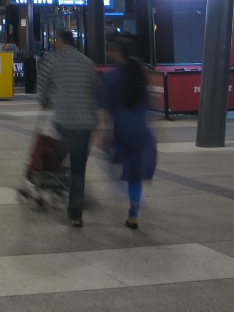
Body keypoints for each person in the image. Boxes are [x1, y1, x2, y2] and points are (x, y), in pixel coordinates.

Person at [36, 30, 99, 228]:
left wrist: (45, 101)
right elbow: (95, 92)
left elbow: (42, 88)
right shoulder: (88, 63)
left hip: (63, 122)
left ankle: (55, 189)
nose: (55, 44)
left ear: (62, 41)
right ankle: (75, 214)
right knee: (79, 170)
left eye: (56, 40)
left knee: (57, 160)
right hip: (86, 124)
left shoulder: (52, 61)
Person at [99, 38, 157, 229]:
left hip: (121, 129)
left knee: (111, 167)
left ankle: (126, 199)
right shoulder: (141, 75)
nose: (110, 53)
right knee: (134, 175)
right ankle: (134, 212)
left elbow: (108, 109)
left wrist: (104, 133)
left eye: (112, 49)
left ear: (119, 53)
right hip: (141, 130)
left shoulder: (112, 77)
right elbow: (149, 106)